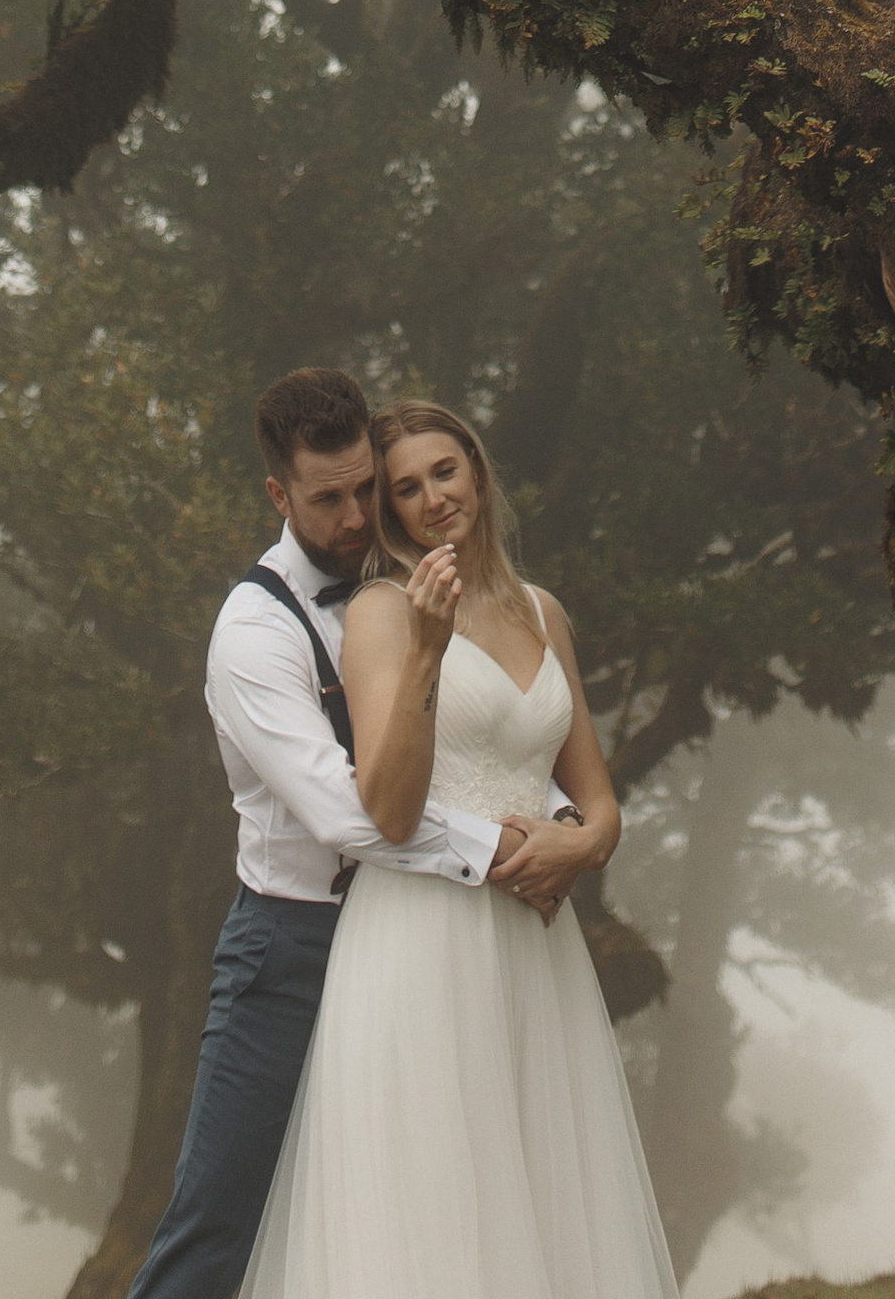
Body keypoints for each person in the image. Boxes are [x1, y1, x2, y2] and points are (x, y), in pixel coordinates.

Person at [127, 368, 561, 1299]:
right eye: (331, 498)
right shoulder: (253, 633)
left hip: (419, 946)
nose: (361, 514)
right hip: (291, 953)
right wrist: (508, 854)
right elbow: (346, 815)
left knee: (413, 1221)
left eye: (370, 486)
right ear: (280, 495)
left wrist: (561, 818)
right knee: (217, 1228)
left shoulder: (429, 588)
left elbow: (489, 739)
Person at [235, 396, 680, 1299]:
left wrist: (578, 848)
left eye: (445, 470)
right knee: (435, 1218)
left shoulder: (545, 613)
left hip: (537, 949)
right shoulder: (380, 613)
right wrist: (431, 650)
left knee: (550, 1206)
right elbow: (388, 811)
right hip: (424, 942)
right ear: (391, 511)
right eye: (405, 488)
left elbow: (597, 801)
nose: (433, 497)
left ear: (475, 468)